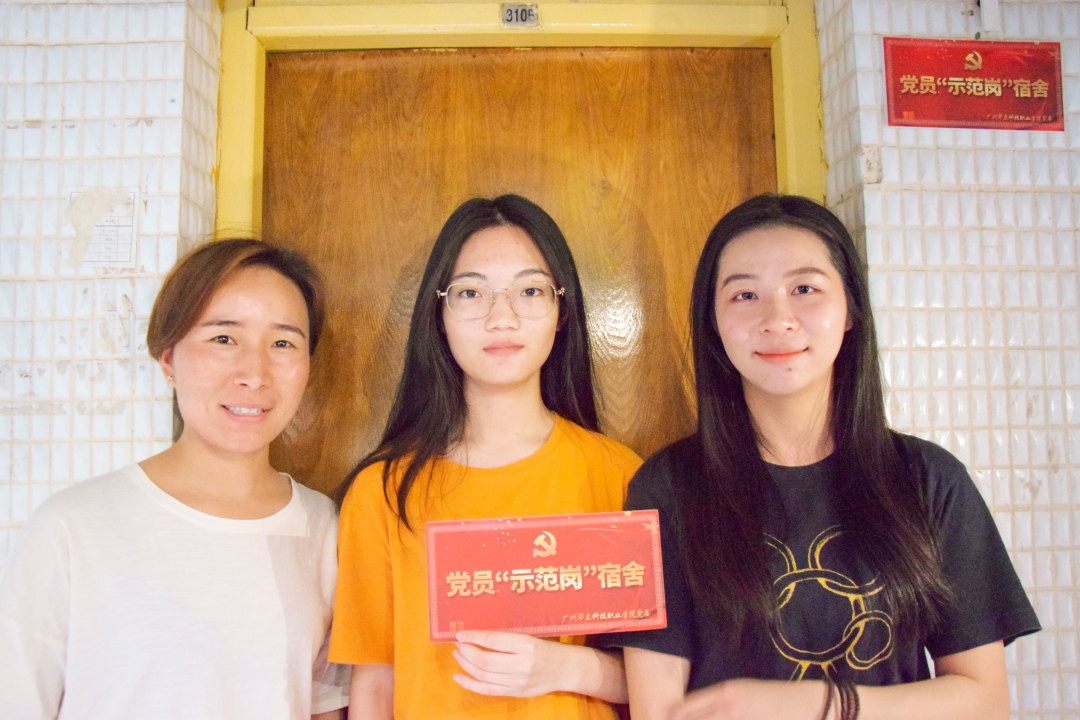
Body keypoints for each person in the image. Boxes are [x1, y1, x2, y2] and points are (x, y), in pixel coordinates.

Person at [603, 195, 1040, 720]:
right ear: (713, 322)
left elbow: (985, 702)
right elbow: (657, 710)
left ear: (850, 308)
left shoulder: (929, 479)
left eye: (804, 289)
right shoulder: (666, 486)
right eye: (745, 295)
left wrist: (822, 702)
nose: (777, 319)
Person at [0, 239, 349, 719]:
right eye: (223, 338)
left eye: (283, 343)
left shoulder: (323, 527)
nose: (255, 373)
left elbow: (324, 707)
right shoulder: (72, 528)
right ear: (168, 358)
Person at [330, 194, 642, 719]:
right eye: (472, 292)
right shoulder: (383, 492)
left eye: (530, 291)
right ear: (440, 313)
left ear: (562, 311)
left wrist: (565, 667)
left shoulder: (620, 475)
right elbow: (375, 686)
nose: (502, 317)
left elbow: (660, 679)